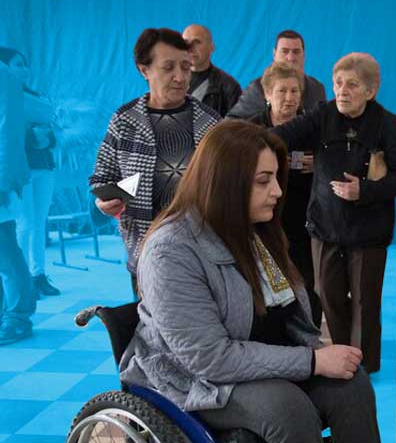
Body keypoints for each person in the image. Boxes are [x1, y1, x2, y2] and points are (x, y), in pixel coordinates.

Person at [119, 120, 394, 443]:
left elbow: (285, 314)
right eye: (264, 181)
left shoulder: (253, 229)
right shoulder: (170, 251)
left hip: (257, 357)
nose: (279, 191)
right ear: (226, 183)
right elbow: (209, 360)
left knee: (351, 383)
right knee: (288, 407)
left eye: (276, 179)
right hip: (191, 378)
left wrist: (319, 350)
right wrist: (313, 361)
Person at [272, 53, 396, 373]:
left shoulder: (386, 123)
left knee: (364, 303)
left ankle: (364, 367)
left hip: (369, 230)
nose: (342, 91)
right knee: (328, 294)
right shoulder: (323, 114)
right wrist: (249, 140)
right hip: (326, 225)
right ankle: (341, 355)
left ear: (371, 90)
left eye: (352, 85)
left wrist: (364, 190)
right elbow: (284, 134)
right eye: (338, 83)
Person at [89, 28, 219, 288]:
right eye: (168, 67)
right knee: (149, 326)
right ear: (144, 70)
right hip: (146, 253)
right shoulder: (124, 121)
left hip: (204, 253)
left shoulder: (211, 122)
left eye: (185, 67)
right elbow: (101, 178)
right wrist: (104, 202)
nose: (180, 77)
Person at [247, 62, 322, 326]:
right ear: (267, 94)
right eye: (282, 91)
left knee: (308, 285)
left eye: (294, 91)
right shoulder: (252, 129)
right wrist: (297, 162)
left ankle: (310, 337)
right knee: (267, 283)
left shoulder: (314, 127)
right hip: (265, 222)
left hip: (305, 222)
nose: (289, 98)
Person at [0, 48, 60, 297]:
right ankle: (23, 280)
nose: (23, 69)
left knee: (39, 222)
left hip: (43, 165)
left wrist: (48, 139)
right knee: (25, 224)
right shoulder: (8, 96)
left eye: (25, 64)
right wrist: (31, 136)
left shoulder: (36, 96)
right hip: (21, 168)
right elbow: (9, 133)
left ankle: (38, 275)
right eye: (17, 64)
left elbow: (55, 129)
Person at [0, 51, 36, 343]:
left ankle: (18, 317)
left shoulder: (3, 76)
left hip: (0, 175)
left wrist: (2, 180)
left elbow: (7, 130)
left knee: (5, 247)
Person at [227, 29, 326, 119]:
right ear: (274, 55)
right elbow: (231, 122)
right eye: (285, 51)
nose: (291, 58)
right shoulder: (257, 88)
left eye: (296, 52)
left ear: (304, 55)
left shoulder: (317, 88)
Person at [182, 24, 242, 117]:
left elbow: (235, 127)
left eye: (197, 42)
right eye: (186, 42)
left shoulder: (229, 87)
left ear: (211, 47)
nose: (191, 48)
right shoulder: (172, 80)